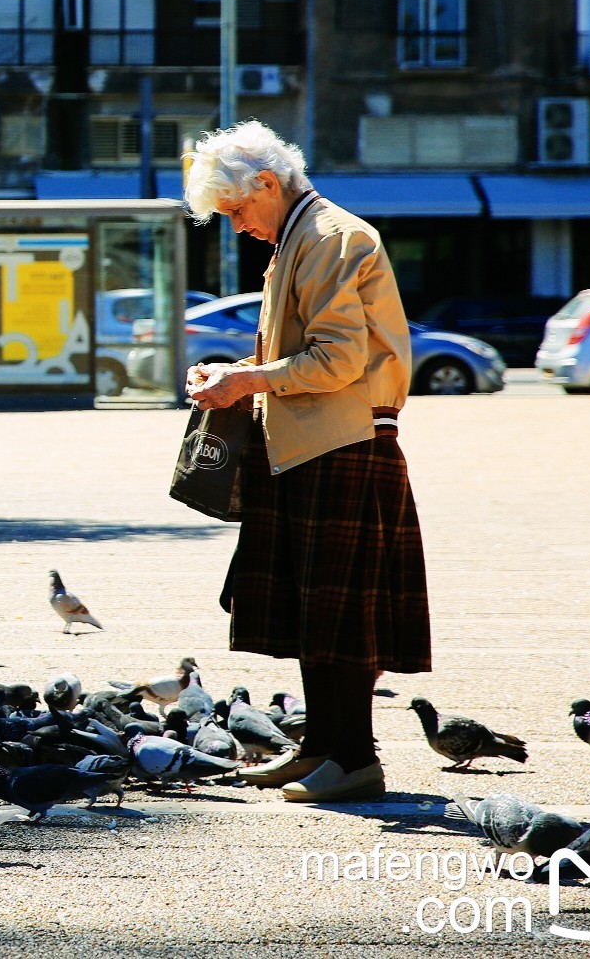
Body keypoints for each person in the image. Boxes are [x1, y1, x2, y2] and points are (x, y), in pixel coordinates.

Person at [182, 122, 431, 804]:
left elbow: (338, 360)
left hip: (343, 445)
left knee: (341, 616)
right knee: (315, 614)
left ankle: (353, 758)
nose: (236, 227)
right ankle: (322, 748)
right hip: (316, 446)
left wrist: (245, 380)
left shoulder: (327, 236)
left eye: (236, 210)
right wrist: (242, 374)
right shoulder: (302, 235)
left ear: (266, 183)